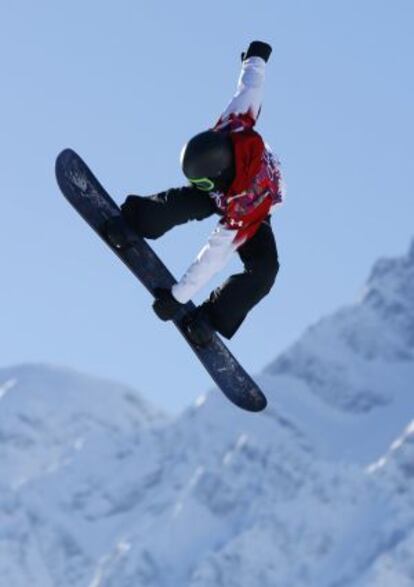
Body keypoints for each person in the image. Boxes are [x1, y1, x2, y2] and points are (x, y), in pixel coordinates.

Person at [109, 40, 284, 347]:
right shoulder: (234, 122)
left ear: (218, 176)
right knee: (186, 200)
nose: (200, 186)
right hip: (227, 183)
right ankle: (139, 219)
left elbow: (213, 257)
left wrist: (178, 296)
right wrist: (256, 57)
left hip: (256, 207)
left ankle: (211, 318)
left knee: (265, 271)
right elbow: (250, 88)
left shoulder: (244, 206)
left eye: (203, 182)